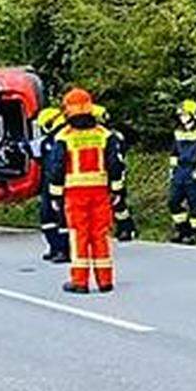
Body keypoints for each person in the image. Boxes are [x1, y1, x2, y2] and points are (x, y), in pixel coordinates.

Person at [48, 88, 125, 294]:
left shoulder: (64, 137)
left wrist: (55, 194)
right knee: (100, 235)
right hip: (100, 191)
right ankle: (105, 281)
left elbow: (56, 168)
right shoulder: (104, 135)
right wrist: (117, 190)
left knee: (79, 236)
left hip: (75, 193)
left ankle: (80, 282)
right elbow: (115, 165)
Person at [168, 99, 196, 244]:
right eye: (181, 115)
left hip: (193, 170)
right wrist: (172, 170)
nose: (182, 118)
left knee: (195, 204)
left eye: (185, 115)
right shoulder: (178, 132)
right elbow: (174, 153)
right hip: (180, 171)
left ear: (194, 115)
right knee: (173, 202)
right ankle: (182, 230)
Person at [94, 104, 137, 242]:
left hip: (114, 173)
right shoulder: (98, 135)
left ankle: (126, 228)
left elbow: (116, 161)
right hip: (99, 174)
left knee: (118, 202)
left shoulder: (110, 137)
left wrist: (117, 185)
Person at [35, 107, 70, 263]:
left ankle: (64, 250)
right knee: (48, 217)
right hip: (50, 182)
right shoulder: (50, 140)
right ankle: (55, 247)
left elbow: (58, 165)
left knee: (61, 219)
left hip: (63, 184)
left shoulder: (63, 138)